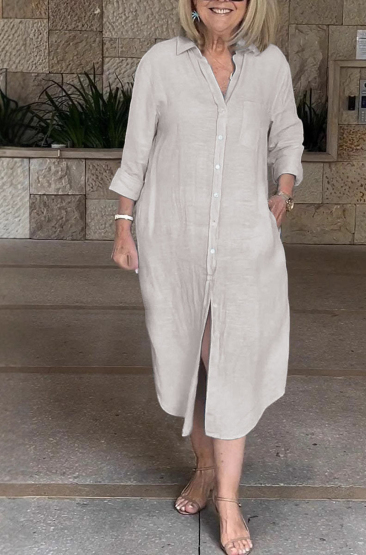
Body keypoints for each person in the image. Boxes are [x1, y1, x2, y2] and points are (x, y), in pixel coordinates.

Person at [109, 0, 304, 553]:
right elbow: (137, 150)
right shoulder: (160, 63)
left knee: (228, 365)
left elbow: (288, 134)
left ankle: (228, 499)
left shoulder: (270, 64)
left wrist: (283, 192)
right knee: (195, 366)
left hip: (244, 245)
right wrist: (123, 226)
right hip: (174, 240)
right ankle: (204, 468)